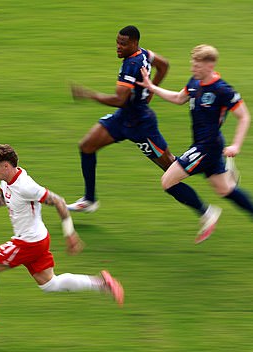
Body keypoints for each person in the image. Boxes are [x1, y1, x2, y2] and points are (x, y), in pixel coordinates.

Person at [0, 144, 124, 334]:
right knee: (50, 284)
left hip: (27, 242)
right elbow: (4, 197)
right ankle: (100, 283)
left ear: (6, 166)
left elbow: (59, 201)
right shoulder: (7, 180)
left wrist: (69, 233)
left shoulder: (26, 186)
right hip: (38, 239)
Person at [137, 44, 253, 245]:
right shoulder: (195, 82)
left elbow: (244, 117)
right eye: (192, 64)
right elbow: (179, 98)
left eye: (197, 65)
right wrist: (152, 87)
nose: (192, 68)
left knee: (168, 181)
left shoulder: (222, 90)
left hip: (206, 147)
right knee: (225, 189)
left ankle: (207, 213)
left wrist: (236, 145)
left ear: (210, 65)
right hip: (205, 145)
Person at [67, 25, 175, 213]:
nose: (118, 47)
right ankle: (90, 200)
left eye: (123, 44)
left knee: (172, 167)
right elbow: (164, 65)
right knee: (86, 146)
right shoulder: (145, 54)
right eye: (117, 42)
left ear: (134, 43)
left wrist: (89, 95)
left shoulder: (131, 65)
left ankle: (216, 168)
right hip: (123, 118)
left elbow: (119, 100)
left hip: (140, 123)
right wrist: (151, 89)